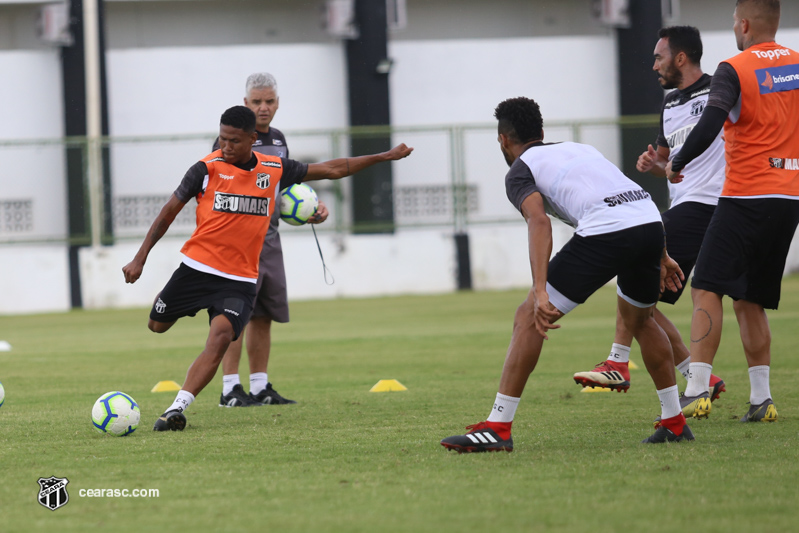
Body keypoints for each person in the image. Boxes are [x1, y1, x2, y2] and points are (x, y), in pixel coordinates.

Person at [122, 105, 413, 431]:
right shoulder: (205, 169)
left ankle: (177, 408)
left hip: (240, 279)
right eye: (222, 139)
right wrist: (140, 257)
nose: (226, 146)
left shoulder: (274, 168)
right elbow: (168, 211)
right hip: (197, 269)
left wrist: (384, 156)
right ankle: (183, 310)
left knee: (219, 339)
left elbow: (333, 169)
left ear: (251, 138)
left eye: (233, 140)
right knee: (156, 325)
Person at [441, 97, 690, 452]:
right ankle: (674, 422)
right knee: (642, 320)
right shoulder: (581, 148)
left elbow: (539, 222)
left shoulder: (519, 170)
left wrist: (540, 291)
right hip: (650, 223)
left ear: (503, 140)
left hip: (609, 230)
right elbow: (629, 195)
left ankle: (498, 428)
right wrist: (662, 254)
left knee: (528, 316)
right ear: (542, 133)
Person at [573, 26, 727, 410]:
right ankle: (699, 375)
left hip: (709, 204)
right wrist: (654, 164)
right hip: (684, 206)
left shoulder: (720, 93)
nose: (653, 65)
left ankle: (618, 362)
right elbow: (670, 166)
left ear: (680, 58)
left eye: (659, 57)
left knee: (635, 270)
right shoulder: (670, 104)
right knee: (646, 302)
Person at [665, 0, 799, 423]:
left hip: (745, 195)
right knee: (749, 298)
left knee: (705, 286)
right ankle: (762, 400)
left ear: (743, 24)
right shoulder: (796, 65)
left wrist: (678, 161)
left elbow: (711, 121)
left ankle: (697, 389)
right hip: (789, 197)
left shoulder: (735, 67)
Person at [216, 72, 328, 408]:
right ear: (245, 103)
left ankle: (260, 387)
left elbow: (284, 189)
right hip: (238, 243)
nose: (263, 108)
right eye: (256, 102)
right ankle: (229, 389)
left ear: (277, 103)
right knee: (234, 315)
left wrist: (308, 208)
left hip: (270, 240)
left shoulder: (278, 140)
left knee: (264, 313)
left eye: (269, 102)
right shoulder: (230, 139)